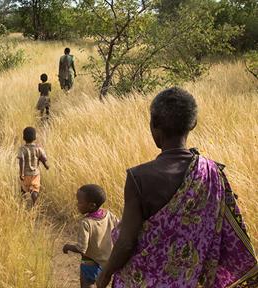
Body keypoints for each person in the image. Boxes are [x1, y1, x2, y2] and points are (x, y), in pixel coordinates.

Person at [96, 87, 257, 288]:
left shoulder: (139, 177)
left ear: (154, 124)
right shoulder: (213, 173)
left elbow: (127, 242)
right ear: (193, 124)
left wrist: (105, 275)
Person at [63, 184, 118, 288]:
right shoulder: (109, 215)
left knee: (88, 284)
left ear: (91, 205)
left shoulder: (86, 223)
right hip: (108, 262)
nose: (77, 204)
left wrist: (68, 246)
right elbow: (119, 229)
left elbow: (81, 248)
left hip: (90, 261)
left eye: (80, 202)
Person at [17, 127, 49, 205]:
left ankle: (22, 203)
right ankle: (35, 203)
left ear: (23, 137)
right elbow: (43, 158)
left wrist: (21, 173)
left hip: (26, 173)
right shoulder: (38, 148)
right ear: (35, 137)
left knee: (23, 189)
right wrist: (46, 165)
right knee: (34, 189)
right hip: (35, 174)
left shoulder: (22, 149)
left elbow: (21, 161)